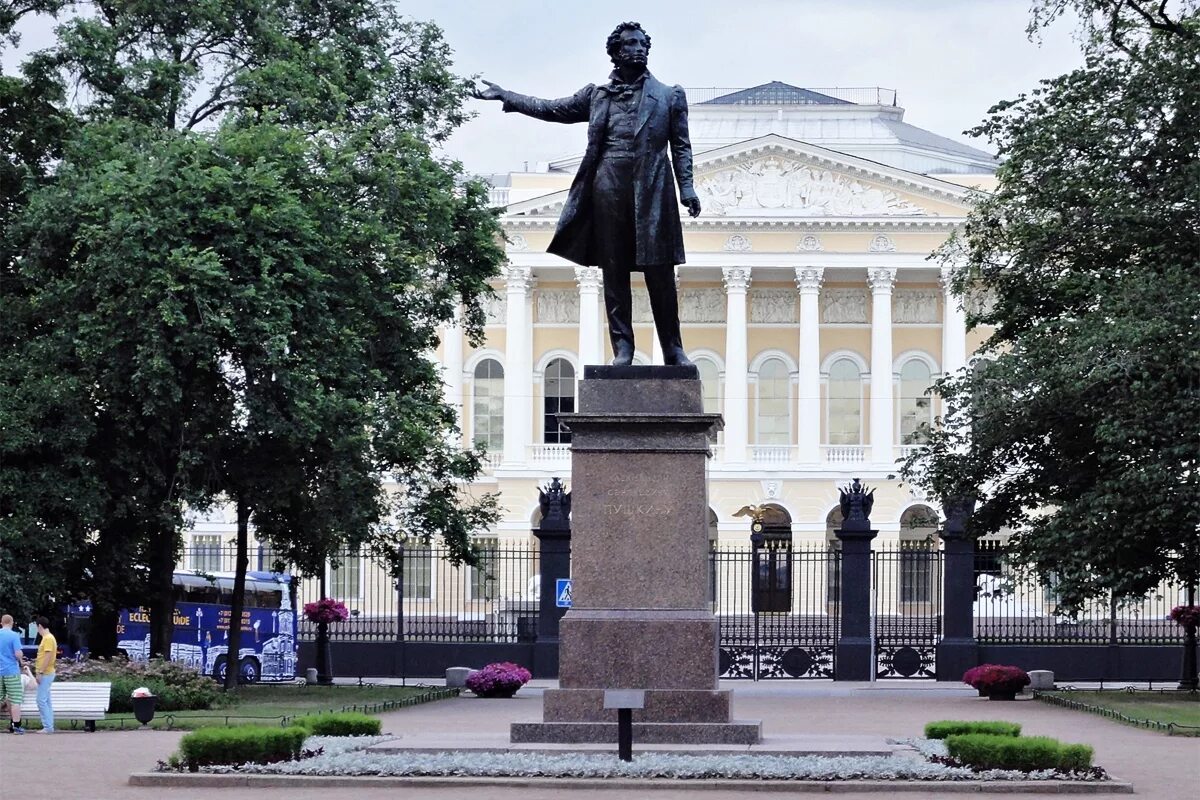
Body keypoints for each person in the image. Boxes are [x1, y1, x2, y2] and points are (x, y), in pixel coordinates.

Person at [475, 21, 702, 367]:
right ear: (615, 52)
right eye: (630, 44)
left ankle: (673, 349)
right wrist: (509, 96)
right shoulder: (597, 96)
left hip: (653, 188)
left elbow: (681, 146)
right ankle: (623, 348)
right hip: (608, 187)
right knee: (614, 271)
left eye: (642, 43)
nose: (639, 48)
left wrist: (686, 187)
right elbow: (552, 109)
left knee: (660, 272)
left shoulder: (669, 96)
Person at [0, 614, 26, 734]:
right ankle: (16, 726)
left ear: (1, 622)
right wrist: (21, 659)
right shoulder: (14, 635)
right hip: (11, 671)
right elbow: (17, 653)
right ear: (12, 623)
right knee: (15, 699)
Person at [34, 617, 57, 733]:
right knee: (46, 700)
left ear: (39, 626)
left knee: (40, 700)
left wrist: (40, 672)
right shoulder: (49, 638)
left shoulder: (47, 638)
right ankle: (49, 725)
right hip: (48, 672)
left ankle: (48, 726)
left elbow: (47, 656)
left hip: (46, 673)